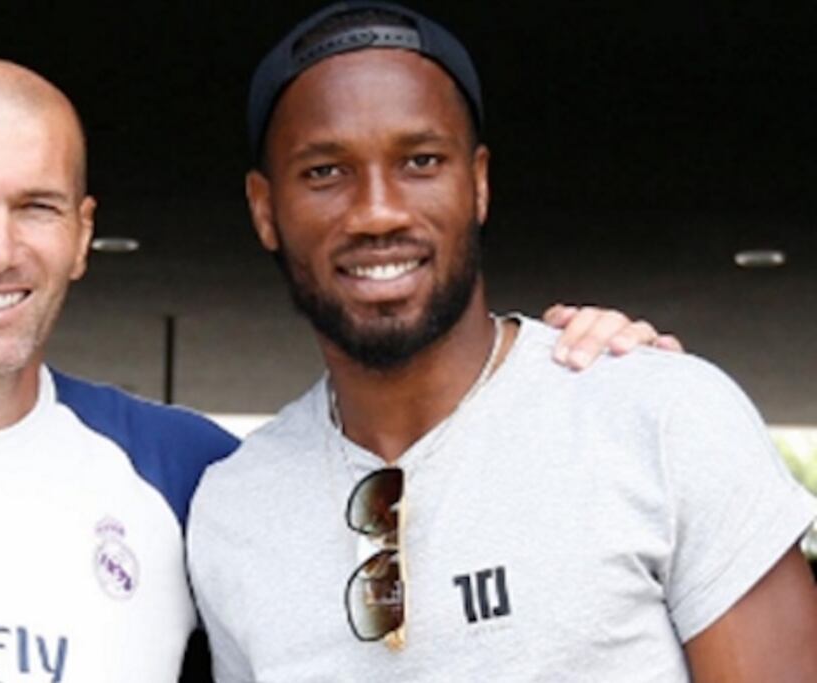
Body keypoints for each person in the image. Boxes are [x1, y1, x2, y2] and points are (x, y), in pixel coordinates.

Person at [0, 59, 671, 682]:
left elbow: (435, 498)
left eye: (37, 207)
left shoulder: (195, 478)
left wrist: (579, 370)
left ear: (82, 235)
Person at [186, 3, 817, 682]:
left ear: (478, 183)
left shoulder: (660, 419)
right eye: (325, 172)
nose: (377, 212)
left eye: (420, 161)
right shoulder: (234, 508)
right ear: (264, 209)